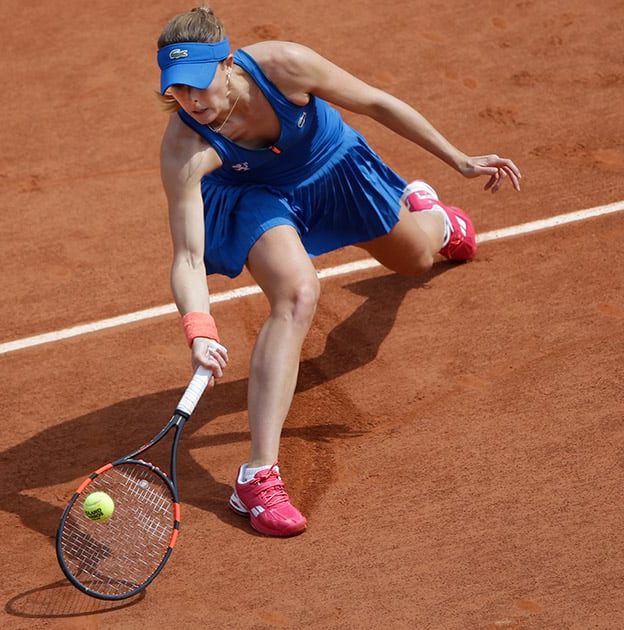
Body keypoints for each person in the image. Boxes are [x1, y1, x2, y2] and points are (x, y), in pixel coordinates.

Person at [156, 5, 521, 537]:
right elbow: (188, 256)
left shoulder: (284, 65)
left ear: (227, 61)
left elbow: (375, 102)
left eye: (197, 85)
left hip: (330, 163)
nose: (190, 101)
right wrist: (198, 329)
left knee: (413, 259)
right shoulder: (185, 144)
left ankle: (434, 218)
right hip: (251, 196)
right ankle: (258, 477)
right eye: (176, 90)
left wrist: (459, 159)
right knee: (298, 293)